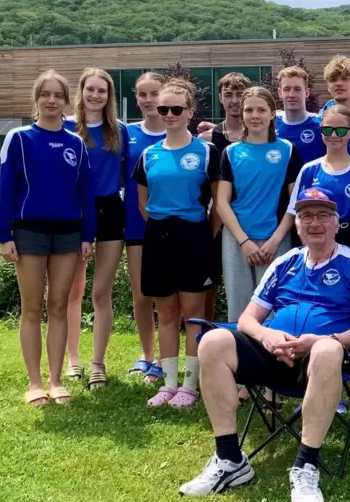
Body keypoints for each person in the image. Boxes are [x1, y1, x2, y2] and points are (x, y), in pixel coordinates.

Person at [179, 187, 350, 501]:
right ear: (297, 225)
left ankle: (305, 467)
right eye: (305, 216)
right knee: (213, 341)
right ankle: (230, 459)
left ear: (336, 223)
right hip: (271, 354)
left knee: (327, 350)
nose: (314, 222)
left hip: (322, 361)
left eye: (323, 215)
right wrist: (267, 336)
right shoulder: (285, 262)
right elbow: (248, 318)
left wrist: (322, 340)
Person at [0, 70, 95, 406]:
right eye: (45, 94)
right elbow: (5, 190)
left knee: (58, 306)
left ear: (66, 101)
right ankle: (35, 382)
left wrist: (88, 235)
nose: (51, 101)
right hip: (29, 233)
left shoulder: (76, 143)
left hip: (68, 234)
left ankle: (55, 380)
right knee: (32, 308)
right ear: (36, 99)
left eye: (58, 95)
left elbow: (86, 193)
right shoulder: (20, 138)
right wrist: (4, 234)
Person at [132, 78, 221, 408]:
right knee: (166, 313)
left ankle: (189, 385)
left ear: (190, 112)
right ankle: (168, 384)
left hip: (194, 234)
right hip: (159, 237)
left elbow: (218, 203)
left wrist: (203, 235)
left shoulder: (206, 151)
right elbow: (143, 203)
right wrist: (160, 231)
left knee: (192, 315)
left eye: (176, 109)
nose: (168, 114)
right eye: (163, 108)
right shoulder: (149, 154)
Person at [215, 87, 303, 323]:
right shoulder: (230, 153)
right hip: (237, 240)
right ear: (242, 114)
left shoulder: (288, 150)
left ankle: (273, 359)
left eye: (261, 110)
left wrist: (275, 241)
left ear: (273, 114)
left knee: (274, 309)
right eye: (249, 110)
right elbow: (222, 203)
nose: (255, 115)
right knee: (240, 309)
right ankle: (239, 359)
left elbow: (296, 202)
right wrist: (244, 242)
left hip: (276, 240)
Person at [64, 68, 129, 390]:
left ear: (109, 95)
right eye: (90, 89)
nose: (95, 95)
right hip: (73, 213)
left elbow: (130, 177)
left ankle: (97, 365)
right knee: (71, 291)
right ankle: (72, 361)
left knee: (100, 293)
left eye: (102, 91)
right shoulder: (64, 128)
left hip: (109, 211)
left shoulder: (118, 130)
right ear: (81, 91)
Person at [125, 72, 167, 382]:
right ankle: (147, 354)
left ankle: (169, 357)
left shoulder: (180, 132)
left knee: (170, 295)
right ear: (136, 98)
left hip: (173, 227)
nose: (149, 100)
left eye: (154, 94)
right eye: (143, 94)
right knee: (141, 295)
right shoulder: (126, 135)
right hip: (137, 225)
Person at [288, 105, 350, 253]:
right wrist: (313, 252)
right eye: (328, 130)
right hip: (316, 248)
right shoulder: (309, 170)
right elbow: (297, 215)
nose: (334, 135)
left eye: (341, 130)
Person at [199, 72, 251, 322]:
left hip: (249, 219)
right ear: (220, 98)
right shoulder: (207, 139)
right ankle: (205, 343)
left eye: (239, 95)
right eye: (228, 95)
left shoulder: (260, 136)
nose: (234, 101)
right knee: (209, 287)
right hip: (215, 220)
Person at [276, 66, 325, 163]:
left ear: (307, 93)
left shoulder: (320, 124)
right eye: (287, 89)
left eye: (297, 89)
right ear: (280, 93)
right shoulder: (270, 124)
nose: (292, 95)